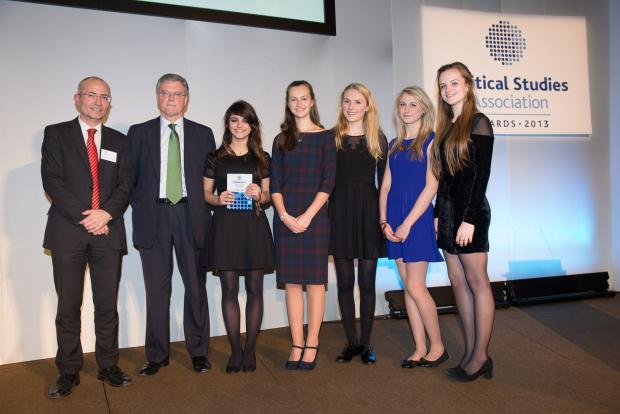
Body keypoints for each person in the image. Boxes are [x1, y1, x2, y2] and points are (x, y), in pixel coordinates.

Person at [42, 76, 133, 398]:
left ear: (109, 104)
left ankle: (108, 365)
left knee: (107, 305)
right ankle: (68, 370)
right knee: (68, 306)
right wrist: (89, 217)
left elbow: (126, 183)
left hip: (108, 231)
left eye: (104, 97)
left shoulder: (120, 141)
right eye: (92, 95)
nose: (98, 102)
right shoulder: (56, 134)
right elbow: (52, 181)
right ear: (77, 99)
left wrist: (105, 214)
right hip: (68, 233)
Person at [128, 73, 215, 376]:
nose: (171, 99)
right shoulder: (138, 133)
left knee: (196, 287)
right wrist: (142, 206)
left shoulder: (203, 134)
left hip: (191, 216)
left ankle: (199, 352)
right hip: (154, 217)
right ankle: (156, 354)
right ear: (157, 97)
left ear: (186, 99)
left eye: (177, 94)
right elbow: (129, 179)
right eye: (165, 93)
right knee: (156, 290)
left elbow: (210, 181)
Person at [430, 62, 495, 381]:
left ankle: (481, 357)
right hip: (448, 213)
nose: (448, 90)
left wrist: (469, 219)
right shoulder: (446, 127)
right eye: (443, 85)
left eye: (454, 83)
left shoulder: (479, 122)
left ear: (468, 85)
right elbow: (444, 177)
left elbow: (482, 175)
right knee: (457, 282)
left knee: (477, 282)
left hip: (471, 214)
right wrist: (436, 214)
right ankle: (470, 352)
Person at [203, 100, 275, 373]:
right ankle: (235, 351)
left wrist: (260, 195)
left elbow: (268, 195)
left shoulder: (263, 158)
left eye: (245, 120)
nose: (239, 125)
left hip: (253, 228)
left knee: (255, 290)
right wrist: (217, 199)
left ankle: (250, 351)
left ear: (252, 125)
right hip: (225, 228)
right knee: (229, 290)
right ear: (228, 124)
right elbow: (205, 193)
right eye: (234, 120)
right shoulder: (215, 157)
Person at [379, 86, 446, 369]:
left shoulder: (431, 141)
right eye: (402, 104)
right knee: (408, 287)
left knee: (416, 287)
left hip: (416, 221)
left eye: (412, 104)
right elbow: (385, 186)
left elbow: (432, 186)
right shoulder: (394, 144)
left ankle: (438, 347)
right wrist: (384, 221)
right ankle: (419, 348)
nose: (406, 110)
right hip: (394, 220)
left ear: (423, 109)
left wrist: (407, 224)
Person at [270, 80, 336, 370]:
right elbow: (275, 183)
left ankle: (312, 342)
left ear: (312, 101)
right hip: (286, 218)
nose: (298, 104)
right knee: (292, 284)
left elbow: (328, 181)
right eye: (293, 99)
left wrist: (307, 216)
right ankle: (296, 342)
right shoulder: (280, 140)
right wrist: (285, 216)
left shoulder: (327, 137)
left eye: (303, 98)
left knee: (315, 284)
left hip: (315, 218)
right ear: (288, 103)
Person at [329, 83, 387, 364]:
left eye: (357, 102)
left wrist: (385, 219)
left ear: (367, 106)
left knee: (366, 282)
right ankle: (351, 342)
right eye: (347, 101)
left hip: (368, 212)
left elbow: (385, 184)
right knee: (344, 282)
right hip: (338, 212)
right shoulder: (331, 138)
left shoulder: (378, 138)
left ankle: (365, 343)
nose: (351, 107)